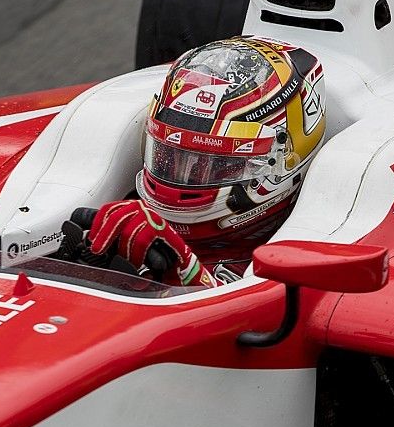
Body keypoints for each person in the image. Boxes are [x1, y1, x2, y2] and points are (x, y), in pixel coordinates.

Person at [87, 36, 327, 287]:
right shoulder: (136, 222)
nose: (182, 178)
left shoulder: (300, 261)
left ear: (282, 160)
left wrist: (188, 275)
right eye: (170, 157)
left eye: (220, 166)